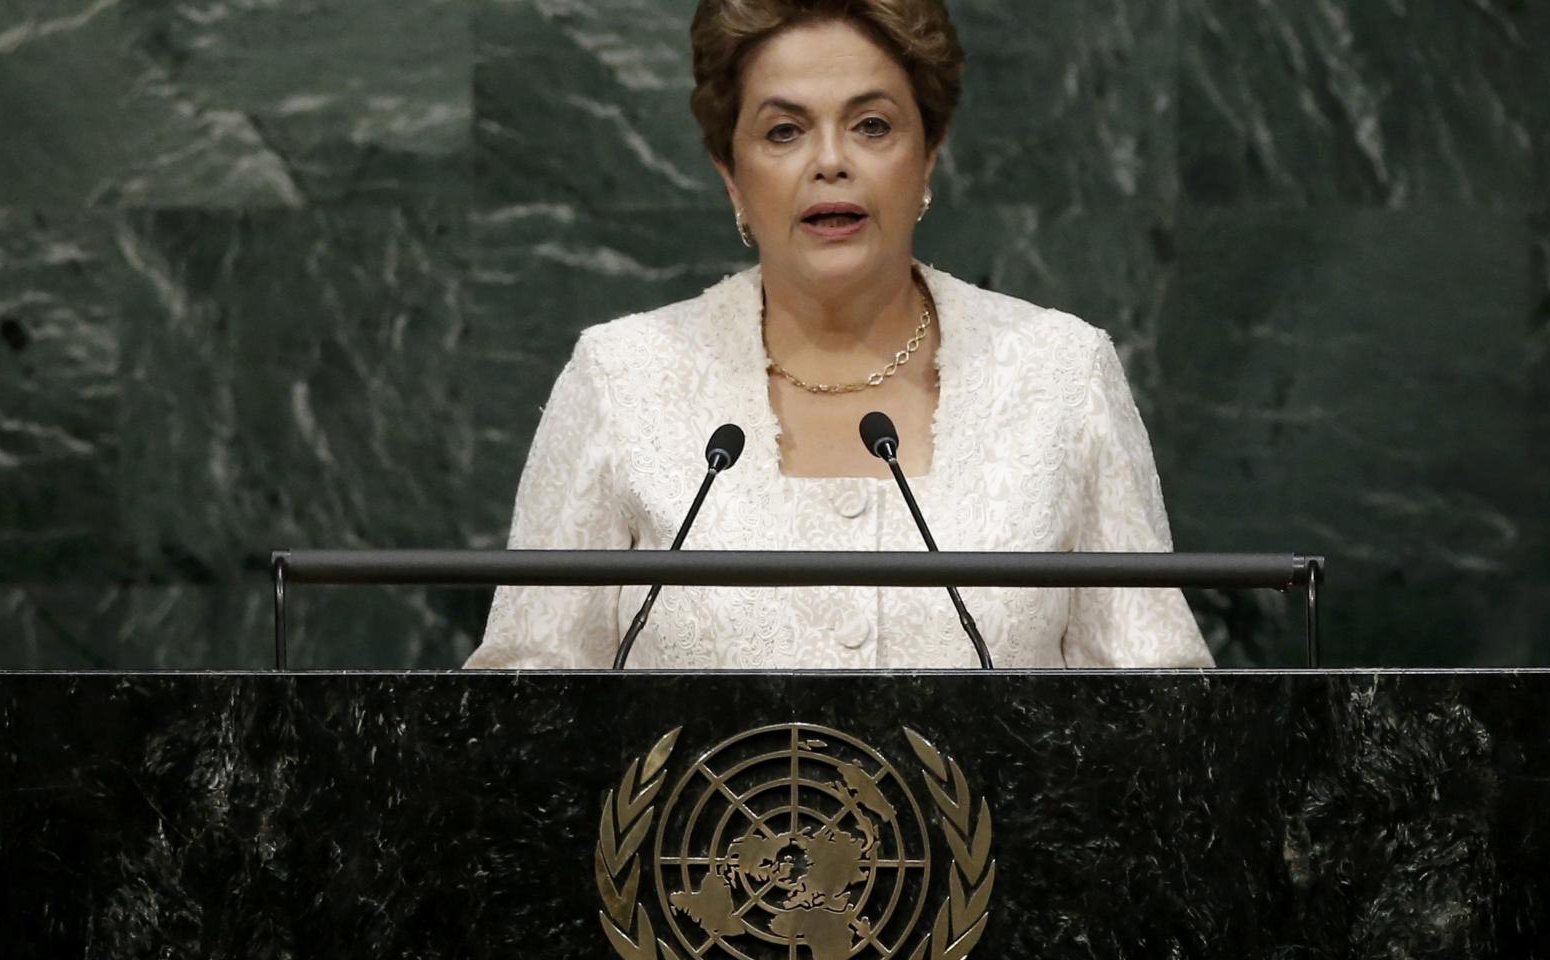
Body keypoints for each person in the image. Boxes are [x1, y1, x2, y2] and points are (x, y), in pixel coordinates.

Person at [464, 0, 1213, 669]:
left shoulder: (1058, 375)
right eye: (784, 131)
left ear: (929, 158)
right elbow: (524, 722)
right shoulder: (621, 379)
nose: (830, 162)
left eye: (872, 126)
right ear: (731, 175)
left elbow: (1162, 712)